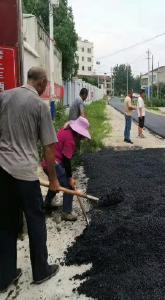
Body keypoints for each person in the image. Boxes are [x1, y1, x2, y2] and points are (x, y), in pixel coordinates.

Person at [0, 67, 61, 292]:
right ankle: (40, 270)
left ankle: (5, 276)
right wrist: (53, 180)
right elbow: (48, 148)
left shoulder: (4, 97)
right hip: (25, 174)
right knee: (35, 221)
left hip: (3, 172)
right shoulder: (39, 106)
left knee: (5, 224)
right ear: (42, 83)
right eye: (46, 85)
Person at [42, 117, 91, 221]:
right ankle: (66, 212)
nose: (82, 137)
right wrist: (70, 178)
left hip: (46, 162)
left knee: (55, 183)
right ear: (79, 132)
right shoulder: (70, 140)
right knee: (68, 187)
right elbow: (66, 160)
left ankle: (47, 203)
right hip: (53, 164)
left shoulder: (65, 129)